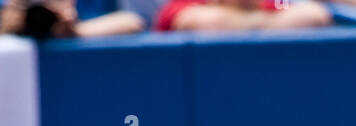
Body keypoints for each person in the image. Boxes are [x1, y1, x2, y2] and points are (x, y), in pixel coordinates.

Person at [152, 0, 330, 32]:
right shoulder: (185, 5)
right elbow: (204, 23)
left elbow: (314, 15)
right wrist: (271, 25)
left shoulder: (274, 5)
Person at [0, 0, 144, 34]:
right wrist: (6, 29)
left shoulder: (88, 7)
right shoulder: (12, 10)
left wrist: (75, 31)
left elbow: (133, 22)